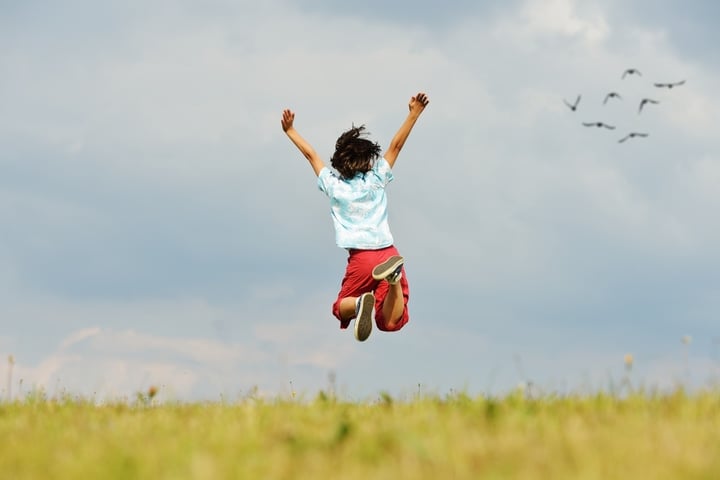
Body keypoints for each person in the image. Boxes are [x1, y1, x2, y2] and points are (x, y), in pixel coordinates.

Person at [281, 92, 429, 341]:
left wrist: (290, 131)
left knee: (340, 308)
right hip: (388, 253)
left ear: (340, 163)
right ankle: (393, 280)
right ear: (367, 159)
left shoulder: (333, 185)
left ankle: (360, 303)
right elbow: (396, 146)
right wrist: (414, 113)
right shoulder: (377, 178)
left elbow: (311, 156)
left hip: (362, 260)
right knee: (390, 322)